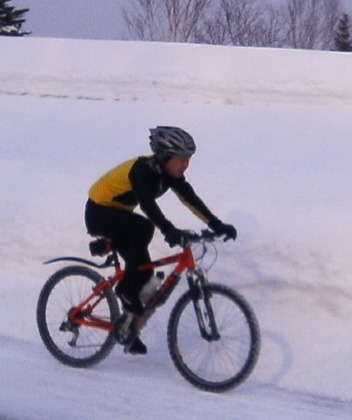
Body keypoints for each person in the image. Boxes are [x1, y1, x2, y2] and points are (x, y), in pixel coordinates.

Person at [84, 126, 237, 354]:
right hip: (99, 212)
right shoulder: (143, 170)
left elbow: (190, 198)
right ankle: (125, 291)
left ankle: (128, 332)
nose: (185, 165)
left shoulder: (169, 174)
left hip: (120, 216)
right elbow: (147, 205)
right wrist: (168, 230)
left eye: (189, 159)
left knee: (144, 274)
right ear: (165, 157)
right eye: (181, 159)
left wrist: (216, 224)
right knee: (143, 228)